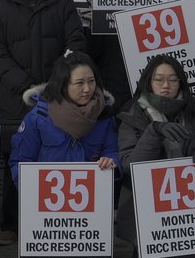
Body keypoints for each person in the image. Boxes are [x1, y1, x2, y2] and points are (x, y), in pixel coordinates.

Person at [0, 0, 87, 244]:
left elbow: (76, 42)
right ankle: (10, 224)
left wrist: (55, 83)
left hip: (57, 96)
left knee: (55, 155)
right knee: (16, 156)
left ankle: (51, 222)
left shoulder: (62, 1)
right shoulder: (0, 6)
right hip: (15, 98)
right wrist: (25, 85)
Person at [114, 54, 195, 258]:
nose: (166, 85)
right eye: (158, 79)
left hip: (187, 208)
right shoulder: (132, 115)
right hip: (144, 207)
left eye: (173, 79)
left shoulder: (194, 113)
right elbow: (130, 166)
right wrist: (154, 131)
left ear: (181, 83)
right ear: (148, 82)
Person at [9, 52, 119, 183]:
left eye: (91, 81)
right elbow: (20, 162)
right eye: (79, 83)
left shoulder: (104, 116)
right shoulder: (38, 118)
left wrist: (111, 164)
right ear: (63, 85)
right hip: (45, 193)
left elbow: (113, 152)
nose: (87, 89)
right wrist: (33, 188)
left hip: (92, 192)